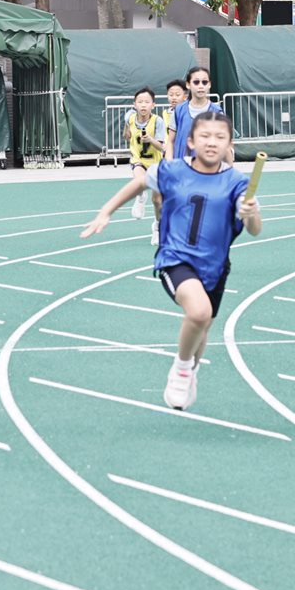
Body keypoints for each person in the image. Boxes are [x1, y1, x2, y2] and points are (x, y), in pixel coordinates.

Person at [82, 109, 261, 410]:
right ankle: (181, 368)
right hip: (175, 258)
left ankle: (190, 371)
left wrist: (251, 213)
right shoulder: (172, 170)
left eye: (220, 137)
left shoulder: (236, 183)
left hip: (215, 267)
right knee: (200, 313)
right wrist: (106, 211)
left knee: (202, 328)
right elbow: (139, 183)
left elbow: (255, 229)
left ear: (230, 145)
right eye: (205, 136)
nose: (212, 142)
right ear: (190, 141)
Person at [123, 87, 167, 229]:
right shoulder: (130, 117)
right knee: (139, 179)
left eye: (147, 102)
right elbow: (126, 130)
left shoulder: (157, 121)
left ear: (153, 105)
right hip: (139, 160)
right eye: (140, 102)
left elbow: (161, 147)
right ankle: (140, 197)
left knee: (157, 200)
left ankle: (157, 227)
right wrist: (126, 132)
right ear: (134, 104)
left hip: (156, 163)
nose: (143, 105)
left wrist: (150, 140)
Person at [169, 66, 226, 163]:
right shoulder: (178, 110)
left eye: (204, 82)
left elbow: (223, 143)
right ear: (188, 84)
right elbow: (170, 141)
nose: (201, 86)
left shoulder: (217, 112)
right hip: (181, 166)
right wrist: (169, 164)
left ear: (209, 85)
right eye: (196, 82)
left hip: (208, 167)